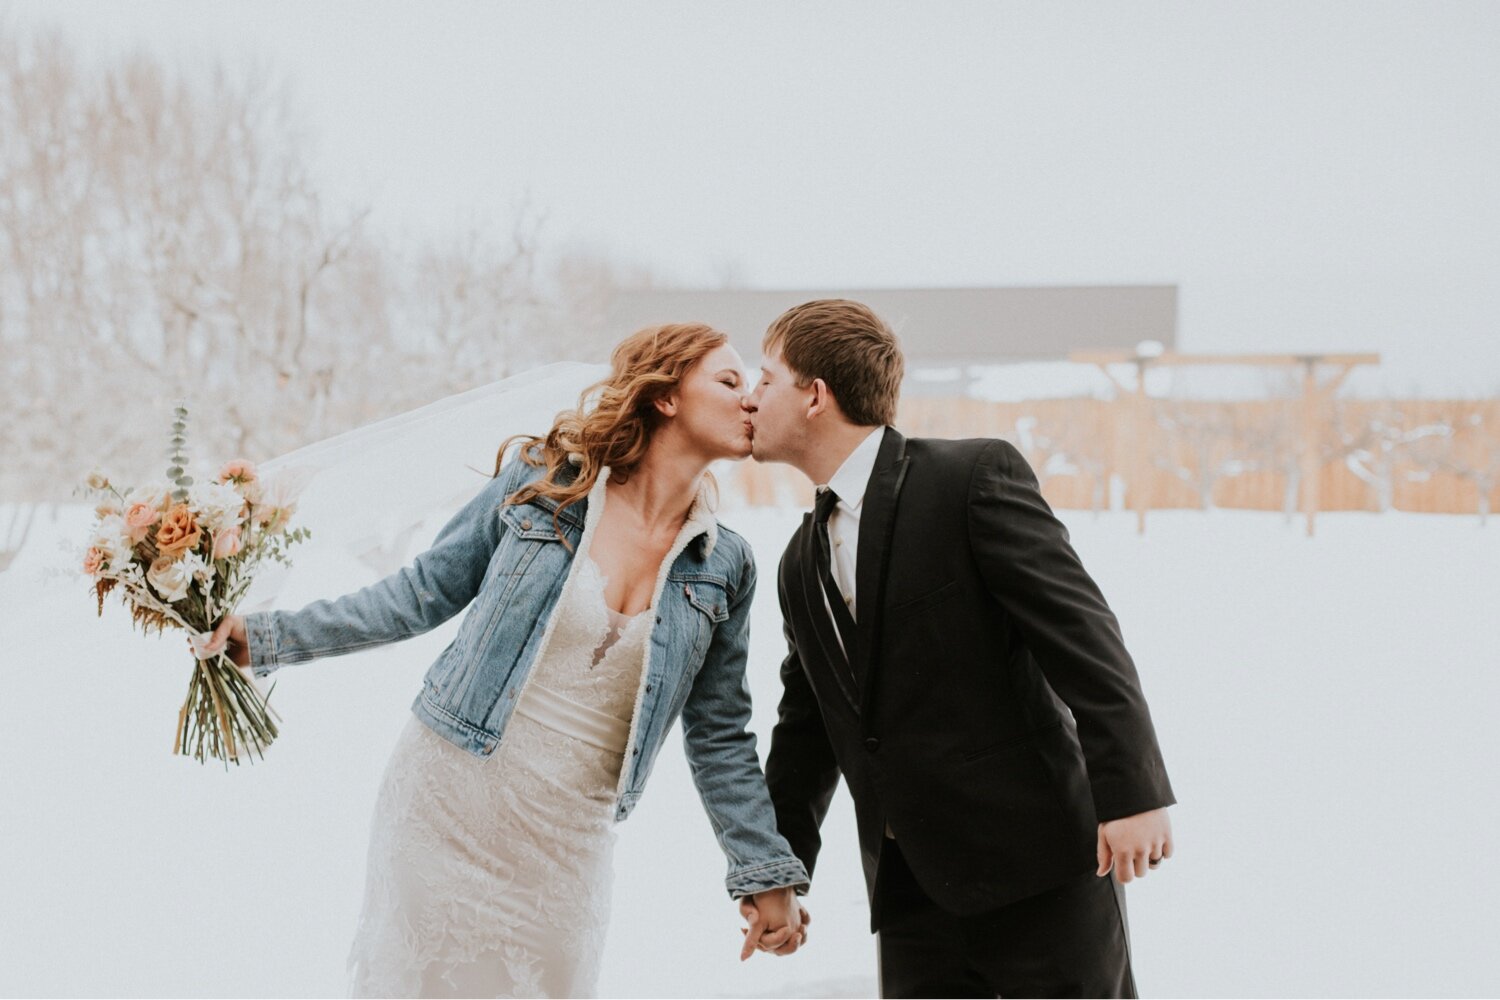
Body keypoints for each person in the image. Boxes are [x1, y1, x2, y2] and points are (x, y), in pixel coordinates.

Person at [205, 323, 809, 997]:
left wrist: (765, 872)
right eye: (729, 382)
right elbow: (422, 592)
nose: (752, 399)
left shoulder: (725, 564)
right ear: (666, 397)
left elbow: (720, 733)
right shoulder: (547, 485)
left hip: (568, 846)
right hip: (447, 810)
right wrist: (265, 636)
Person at [740, 299, 1176, 997]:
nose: (748, 399)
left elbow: (1085, 637)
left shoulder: (968, 480)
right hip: (911, 899)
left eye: (764, 380)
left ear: (815, 395)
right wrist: (776, 873)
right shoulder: (800, 561)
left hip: (1042, 872)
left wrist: (1132, 793)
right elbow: (807, 730)